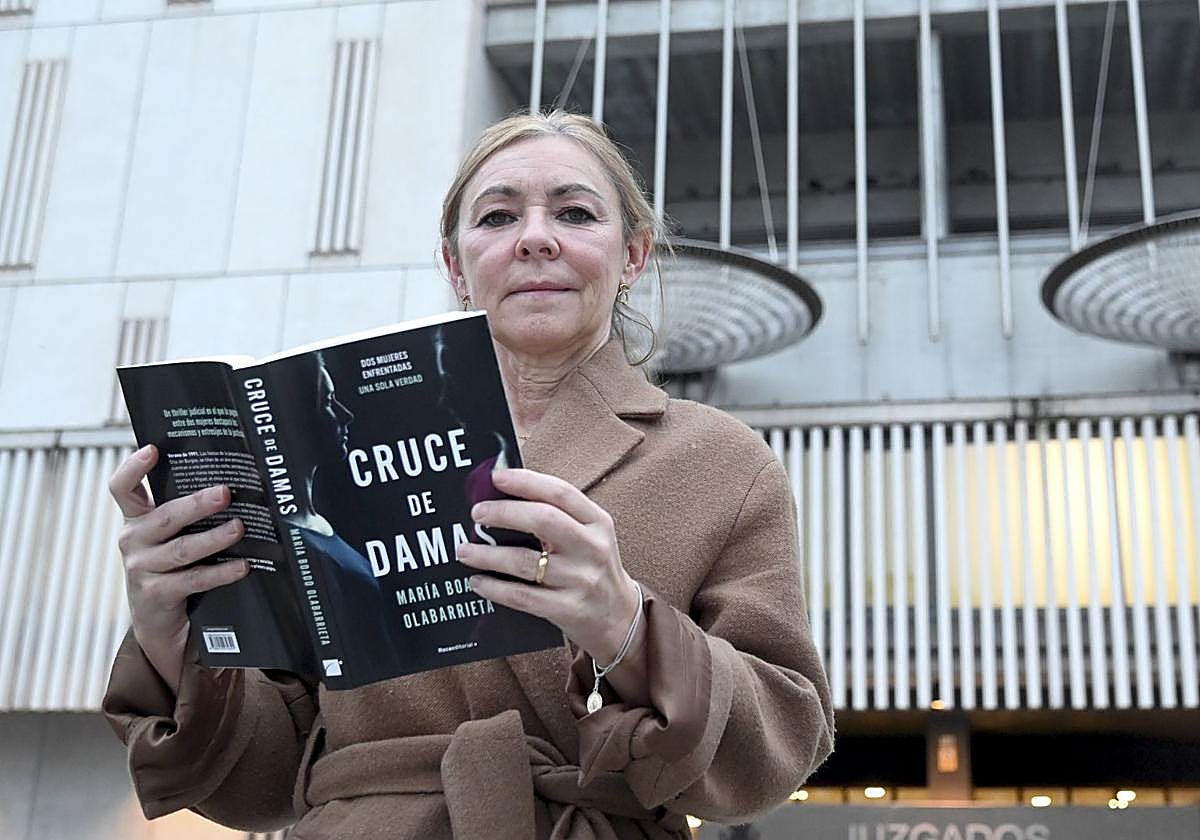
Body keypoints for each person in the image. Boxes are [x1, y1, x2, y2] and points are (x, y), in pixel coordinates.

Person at [104, 110, 834, 839]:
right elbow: (263, 781)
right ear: (457, 266)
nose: (536, 238)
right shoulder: (332, 454)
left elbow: (780, 742)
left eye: (575, 213)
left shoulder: (721, 460)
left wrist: (627, 626)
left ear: (633, 256)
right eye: (498, 217)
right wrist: (171, 630)